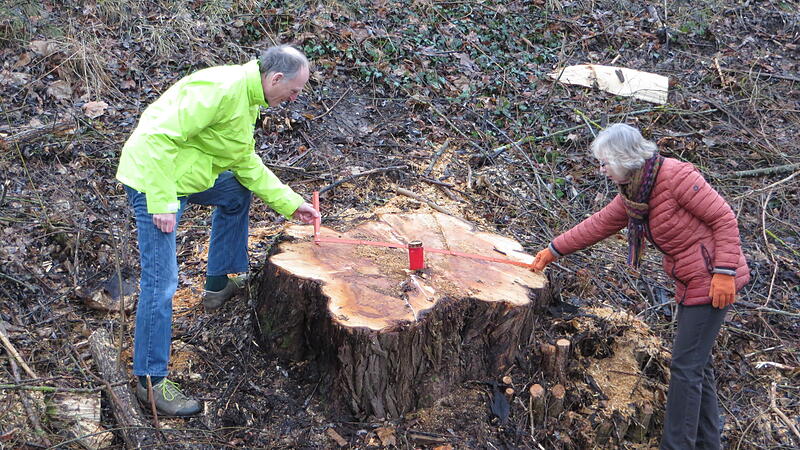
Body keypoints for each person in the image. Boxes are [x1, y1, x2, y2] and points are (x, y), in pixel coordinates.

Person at [116, 44, 320, 416]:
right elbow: (156, 135)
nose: (294, 98)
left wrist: (292, 203)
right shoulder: (222, 89)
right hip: (153, 181)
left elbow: (244, 162)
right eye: (293, 91)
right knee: (161, 283)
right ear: (276, 78)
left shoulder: (248, 99)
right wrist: (161, 201)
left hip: (182, 177)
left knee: (235, 191)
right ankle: (150, 381)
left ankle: (219, 281)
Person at [530, 123, 749, 449]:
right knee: (698, 367)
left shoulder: (676, 177)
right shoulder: (636, 192)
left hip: (712, 281)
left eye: (605, 163)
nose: (602, 170)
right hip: (691, 280)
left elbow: (724, 218)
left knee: (685, 368)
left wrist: (725, 272)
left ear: (624, 158)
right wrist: (553, 250)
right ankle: (707, 443)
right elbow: (599, 223)